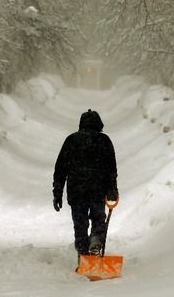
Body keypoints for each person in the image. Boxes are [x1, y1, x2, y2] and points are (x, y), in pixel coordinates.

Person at [52, 109, 118, 257]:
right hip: (97, 189)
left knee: (80, 223)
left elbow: (60, 169)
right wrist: (112, 189)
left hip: (77, 191)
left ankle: (83, 254)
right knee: (98, 218)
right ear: (99, 124)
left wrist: (58, 192)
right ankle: (95, 239)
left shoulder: (71, 140)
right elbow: (111, 169)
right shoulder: (104, 141)